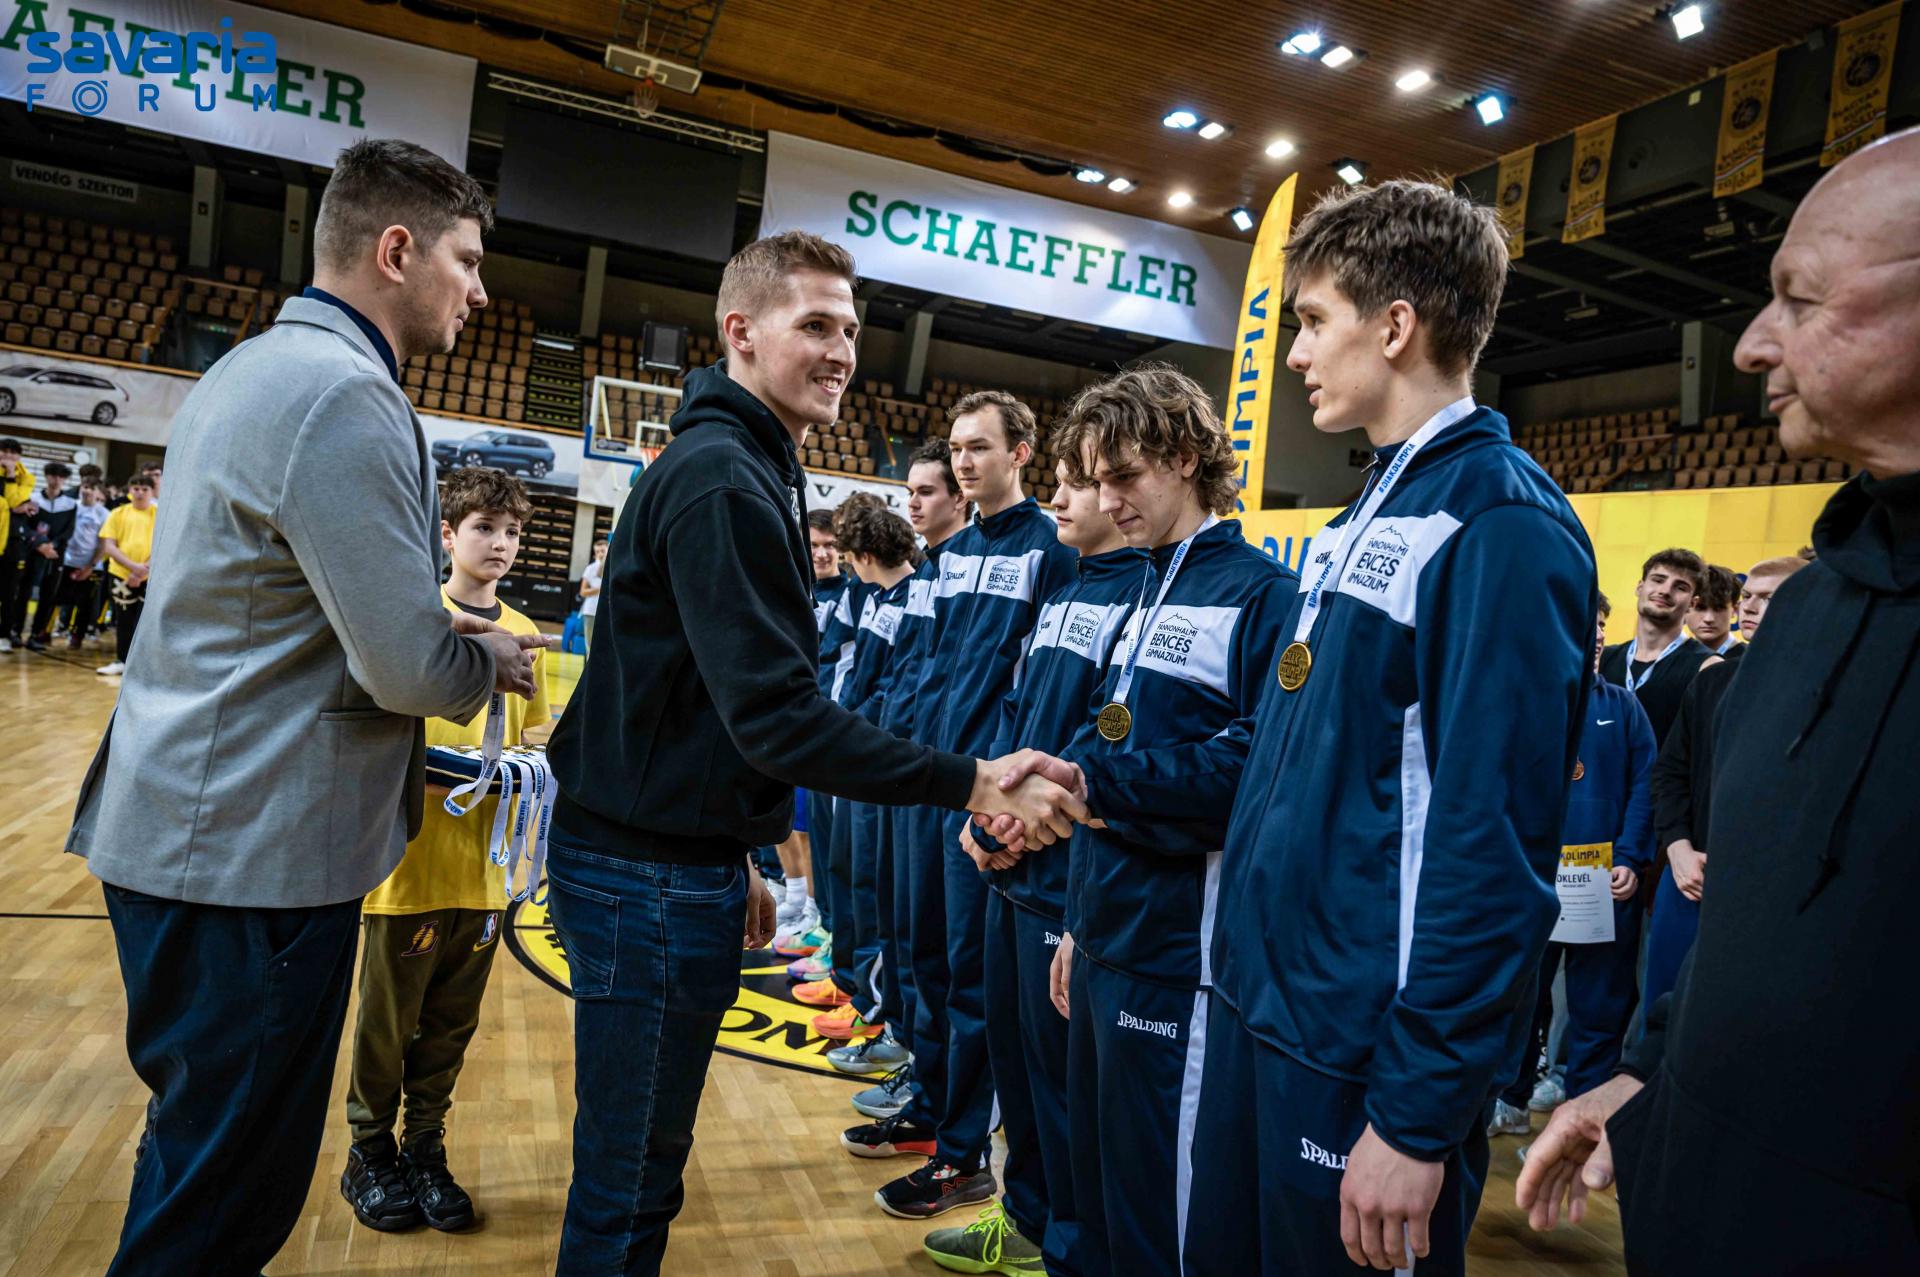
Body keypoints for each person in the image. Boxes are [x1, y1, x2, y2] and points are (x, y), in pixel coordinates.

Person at [539, 229, 1082, 1276]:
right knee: (628, 1180)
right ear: (740, 331)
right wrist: (974, 779)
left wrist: (743, 847)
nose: (842, 352)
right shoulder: (724, 479)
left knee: (638, 1166)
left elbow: (706, 703)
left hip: (673, 854)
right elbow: (778, 716)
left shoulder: (751, 464)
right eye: (816, 326)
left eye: (851, 329)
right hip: (645, 871)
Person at [63, 137, 547, 1277]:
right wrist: (488, 661)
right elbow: (406, 672)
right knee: (223, 1205)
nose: (480, 292)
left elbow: (290, 610)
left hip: (190, 825)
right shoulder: (348, 395)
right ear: (397, 251)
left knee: (195, 1159)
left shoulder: (250, 368)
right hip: (251, 855)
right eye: (468, 261)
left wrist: (440, 635)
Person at [1151, 180, 1595, 1275]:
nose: (1297, 352)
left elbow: (1494, 842)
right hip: (1262, 1009)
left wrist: (1415, 1109)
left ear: (1395, 326)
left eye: (1312, 321)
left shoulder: (1500, 520)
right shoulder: (1368, 510)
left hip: (1361, 1058)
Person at [1518, 127, 1920, 1273]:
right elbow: (1754, 915)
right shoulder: (1803, 614)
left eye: (1801, 297)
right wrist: (1645, 1074)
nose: (1749, 344)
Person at [973, 363, 1298, 1274]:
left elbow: (1252, 773)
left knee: (1162, 1219)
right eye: (1095, 480)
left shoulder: (1262, 595)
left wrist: (1095, 786)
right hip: (1104, 936)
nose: (1108, 501)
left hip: (1181, 962)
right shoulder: (1145, 587)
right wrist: (1082, 920)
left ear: (1187, 456)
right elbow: (1110, 740)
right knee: (1093, 1196)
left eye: (1123, 477)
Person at [850, 389, 1077, 1221]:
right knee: (923, 959)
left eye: (979, 446)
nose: (964, 461)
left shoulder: (1051, 548)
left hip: (985, 799)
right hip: (931, 784)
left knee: (971, 980)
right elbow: (928, 670)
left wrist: (1002, 799)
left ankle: (964, 1154)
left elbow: (1041, 689)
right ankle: (934, 1107)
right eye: (955, 448)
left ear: (1021, 452)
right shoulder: (950, 554)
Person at [927, 443, 1140, 1276]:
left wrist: (1016, 823)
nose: (1061, 497)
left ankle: (1066, 1245)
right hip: (1011, 873)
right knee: (1015, 1072)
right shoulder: (1066, 588)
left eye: (1080, 483)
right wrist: (987, 810)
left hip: (1064, 878)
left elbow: (1099, 741)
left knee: (1060, 1089)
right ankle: (1022, 1219)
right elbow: (1018, 716)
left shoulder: (1140, 594)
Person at [340, 466, 551, 1235]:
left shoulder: (524, 627)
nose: (500, 543)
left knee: (451, 1026)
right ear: (447, 534)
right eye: (484, 527)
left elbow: (533, 734)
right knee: (387, 1024)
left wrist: (540, 763)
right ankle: (369, 1150)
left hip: (484, 872)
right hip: (407, 864)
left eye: (512, 531)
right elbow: (380, 730)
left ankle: (424, 1147)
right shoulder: (417, 617)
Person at [1488, 593, 1656, 1141]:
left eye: (1604, 623)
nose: (1599, 633)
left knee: (1598, 1007)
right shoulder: (1523, 703)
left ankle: (1579, 1119)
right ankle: (1509, 1100)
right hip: (1534, 882)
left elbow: (1646, 788)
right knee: (1520, 999)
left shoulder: (1625, 708)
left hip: (1603, 886)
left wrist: (1630, 858)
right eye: (1589, 623)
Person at [835, 439, 970, 1091]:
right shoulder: (912, 587)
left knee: (926, 934)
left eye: (925, 491)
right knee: (881, 902)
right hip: (885, 763)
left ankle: (915, 1052)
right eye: (908, 492)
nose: (912, 503)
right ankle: (895, 1028)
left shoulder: (944, 580)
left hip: (931, 774)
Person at [1641, 554, 1808, 1011]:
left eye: (1768, 599)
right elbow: (1670, 773)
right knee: (1661, 1012)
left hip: (1767, 887)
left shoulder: (1828, 690)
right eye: (1748, 596)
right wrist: (1677, 848)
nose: (1749, 607)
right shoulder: (1712, 681)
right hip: (1689, 876)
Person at [799, 498, 920, 1040]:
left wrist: (851, 727)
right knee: (843, 868)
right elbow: (841, 665)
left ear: (863, 554)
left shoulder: (914, 595)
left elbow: (895, 687)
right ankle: (847, 978)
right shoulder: (868, 594)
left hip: (873, 755)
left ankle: (869, 1001)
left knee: (868, 883)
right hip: (844, 747)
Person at [774, 507, 856, 948]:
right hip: (785, 719)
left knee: (808, 827)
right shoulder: (792, 588)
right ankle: (792, 895)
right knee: (782, 819)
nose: (822, 553)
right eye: (815, 545)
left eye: (830, 545)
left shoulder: (851, 595)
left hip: (820, 723)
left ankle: (812, 907)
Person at [1596, 549, 1711, 745]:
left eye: (1680, 587)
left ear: (1692, 604)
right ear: (1639, 587)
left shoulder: (1706, 667)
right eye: (1658, 580)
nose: (1665, 591)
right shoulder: (1603, 659)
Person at [93, 472, 157, 677]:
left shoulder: (160, 514)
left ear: (152, 491)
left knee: (148, 621)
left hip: (151, 575)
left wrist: (143, 569)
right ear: (130, 491)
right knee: (124, 620)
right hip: (121, 574)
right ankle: (121, 660)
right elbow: (109, 546)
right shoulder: (118, 513)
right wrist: (133, 568)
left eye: (145, 489)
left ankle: (145, 664)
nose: (140, 493)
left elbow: (164, 544)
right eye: (136, 488)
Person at [8, 460, 77, 649]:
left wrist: (52, 545)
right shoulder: (33, 499)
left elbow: (69, 531)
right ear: (46, 477)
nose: (56, 480)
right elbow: (25, 525)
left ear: (65, 479)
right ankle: (15, 631)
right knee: (24, 592)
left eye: (61, 477)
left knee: (48, 595)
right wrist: (39, 544)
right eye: (53, 475)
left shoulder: (70, 504)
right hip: (32, 551)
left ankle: (36, 635)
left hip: (55, 554)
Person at [51, 478, 109, 648]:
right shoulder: (70, 506)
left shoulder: (104, 514)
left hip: (90, 565)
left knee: (84, 604)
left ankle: (77, 636)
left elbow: (103, 544)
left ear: (98, 492)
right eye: (85, 486)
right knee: (55, 599)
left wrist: (90, 566)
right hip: (66, 561)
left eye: (91, 488)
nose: (87, 491)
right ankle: (45, 631)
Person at [0, 439, 34, 653]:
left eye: (13, 453)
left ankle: (4, 634)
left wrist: (11, 474)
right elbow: (13, 505)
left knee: (8, 590)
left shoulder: (26, 477)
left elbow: (13, 501)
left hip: (12, 540)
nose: (8, 456)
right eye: (4, 451)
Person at [1685, 563, 1740, 657]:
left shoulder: (1751, 660)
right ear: (1685, 607)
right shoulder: (1673, 658)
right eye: (1699, 608)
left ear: (1734, 610)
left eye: (1718, 608)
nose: (1709, 619)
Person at [578, 536, 606, 650]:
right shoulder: (590, 568)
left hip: (607, 610)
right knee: (590, 645)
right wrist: (600, 589)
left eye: (603, 551)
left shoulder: (614, 566)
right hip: (591, 611)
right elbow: (582, 592)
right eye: (597, 552)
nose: (600, 554)